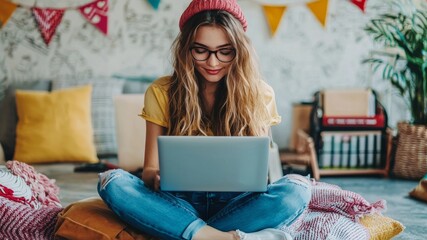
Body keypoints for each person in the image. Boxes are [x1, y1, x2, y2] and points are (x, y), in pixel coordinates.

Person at [98, 0, 311, 239]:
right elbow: (149, 170)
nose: (212, 62)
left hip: (237, 204)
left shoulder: (260, 93)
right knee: (112, 181)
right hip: (178, 201)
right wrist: (155, 177)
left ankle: (189, 231)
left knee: (298, 188)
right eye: (201, 50)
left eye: (225, 51)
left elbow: (262, 174)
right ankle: (221, 237)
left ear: (239, 51)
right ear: (186, 48)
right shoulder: (161, 92)